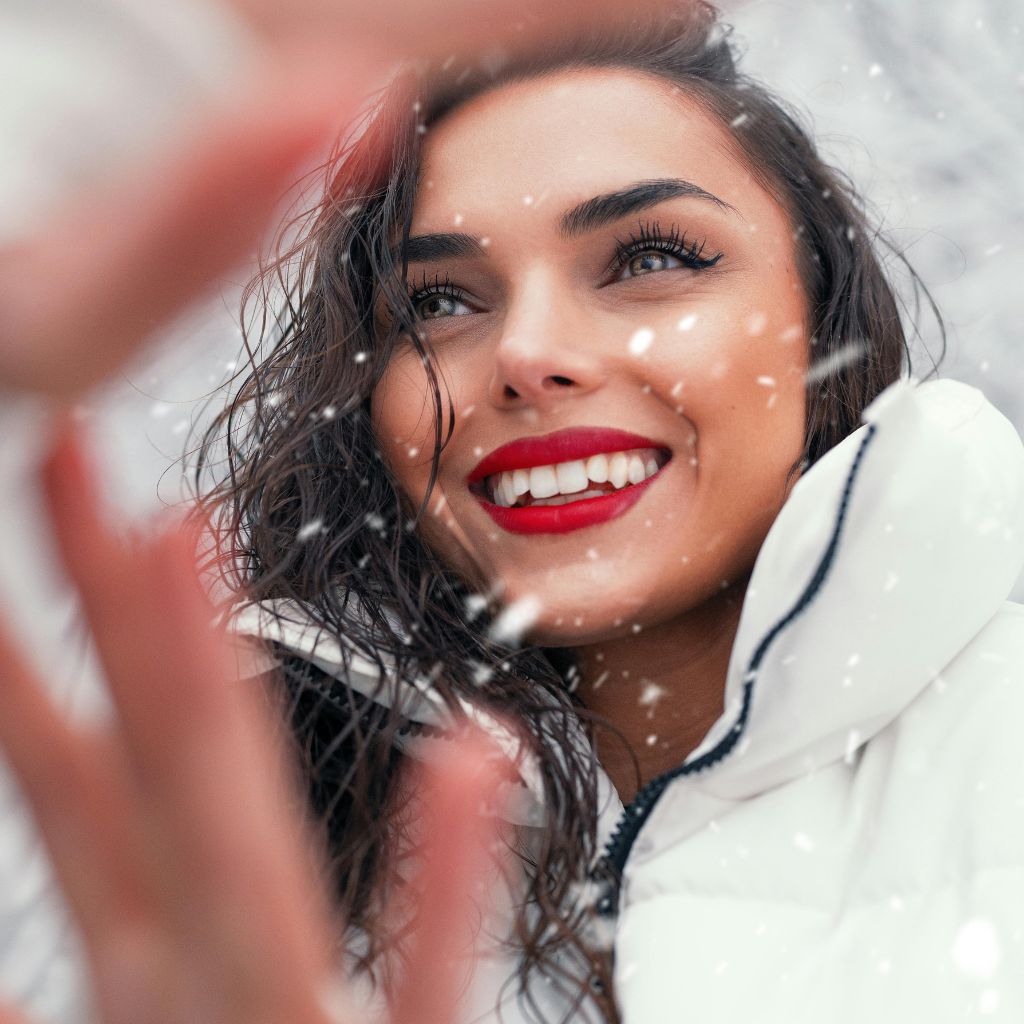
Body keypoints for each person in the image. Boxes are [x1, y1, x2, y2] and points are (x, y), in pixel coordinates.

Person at [1, 3, 1023, 1024]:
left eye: (650, 256)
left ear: (818, 321)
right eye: (440, 302)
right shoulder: (238, 836)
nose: (529, 354)